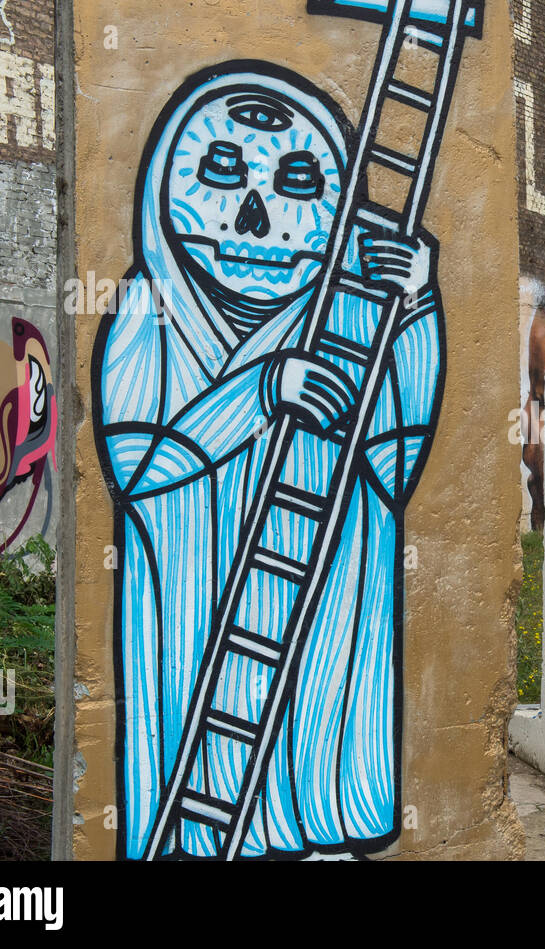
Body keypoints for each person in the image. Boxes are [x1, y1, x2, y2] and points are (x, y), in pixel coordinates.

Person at [93, 62, 442, 859]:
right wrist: (259, 392)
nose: (256, 220)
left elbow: (395, 463)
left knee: (314, 786)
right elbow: (138, 470)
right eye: (220, 173)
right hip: (197, 618)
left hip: (326, 613)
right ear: (163, 192)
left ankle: (317, 817)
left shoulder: (355, 314)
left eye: (296, 181)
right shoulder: (148, 314)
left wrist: (415, 310)